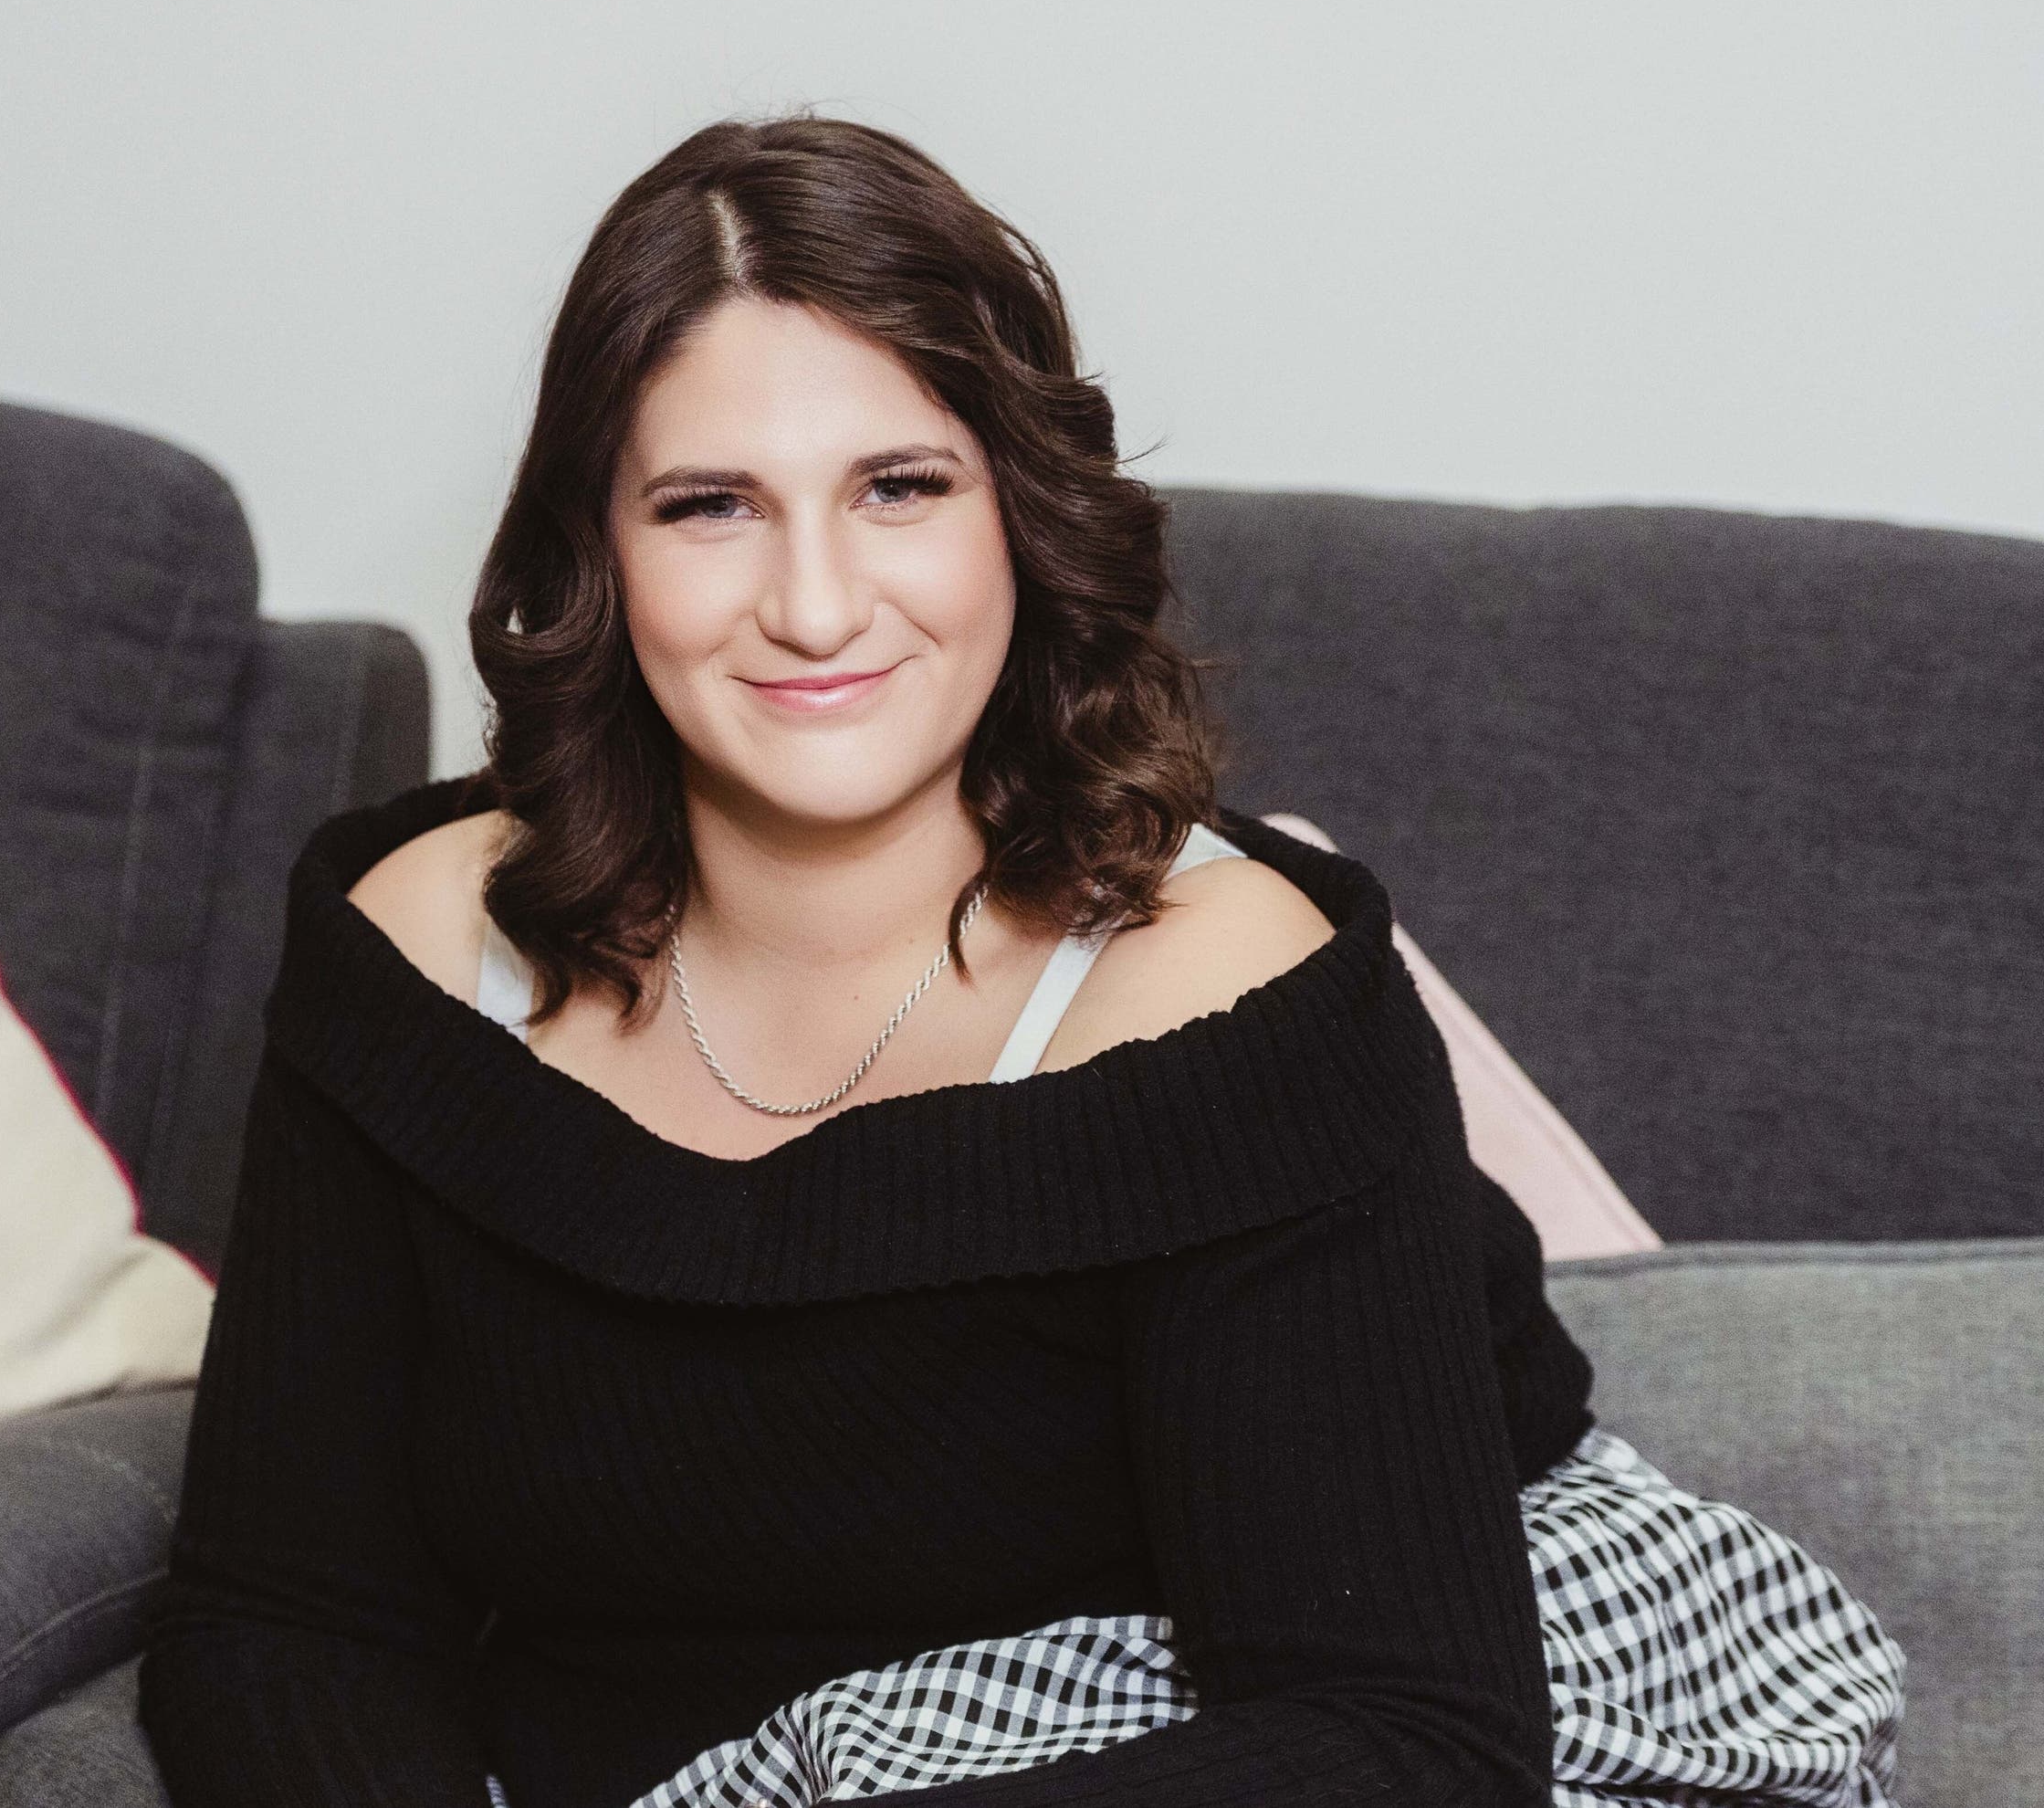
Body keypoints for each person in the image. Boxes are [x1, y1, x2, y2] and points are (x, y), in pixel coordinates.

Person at [139, 116, 1902, 1808]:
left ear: (1021, 519)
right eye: (708, 507)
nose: (817, 607)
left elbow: (1391, 1735)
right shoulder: (415, 955)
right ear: (595, 549)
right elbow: (293, 1612)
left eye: (900, 486)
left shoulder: (1233, 995)